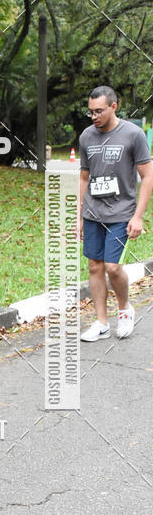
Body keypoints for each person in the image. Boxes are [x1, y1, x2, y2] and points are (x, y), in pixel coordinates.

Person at [79, 85, 153, 341]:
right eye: (91, 112)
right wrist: (79, 215)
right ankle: (100, 323)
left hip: (121, 213)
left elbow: (147, 175)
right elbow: (84, 178)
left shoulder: (133, 135)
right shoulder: (87, 136)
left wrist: (139, 216)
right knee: (94, 266)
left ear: (113, 106)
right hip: (93, 213)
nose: (94, 116)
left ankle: (124, 309)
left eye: (99, 111)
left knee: (112, 267)